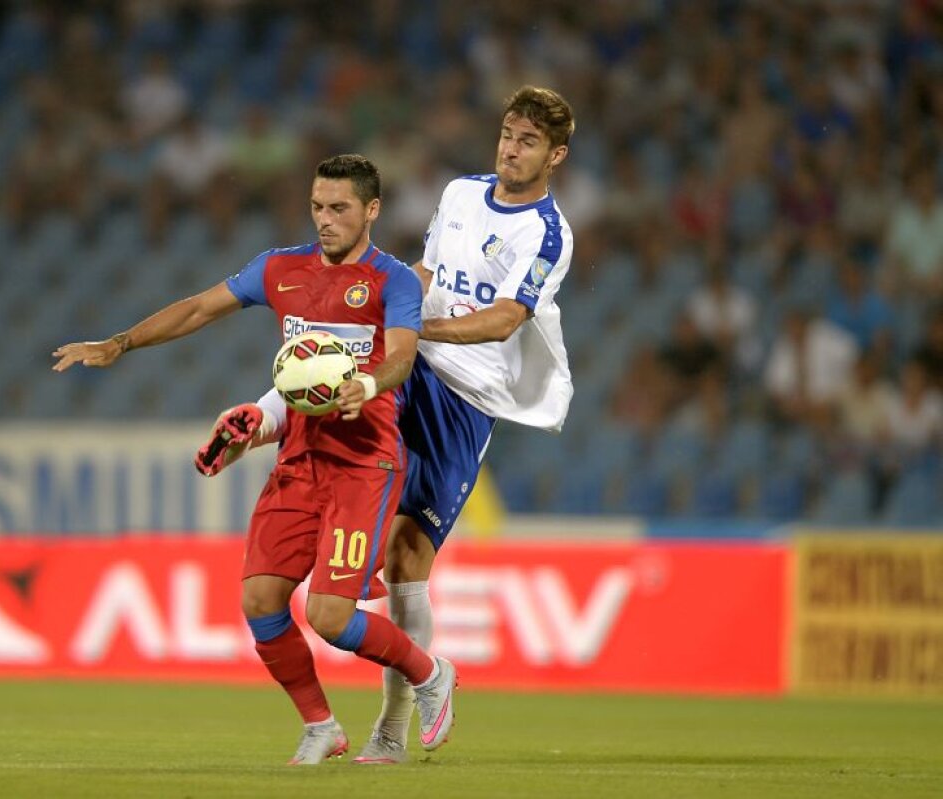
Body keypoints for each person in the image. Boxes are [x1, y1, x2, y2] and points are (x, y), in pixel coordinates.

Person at [197, 86, 576, 764]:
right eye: (507, 134)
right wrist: (391, 320)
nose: (511, 149)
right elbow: (425, 271)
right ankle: (258, 424)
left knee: (406, 561)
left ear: (555, 156)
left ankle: (396, 722)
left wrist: (413, 328)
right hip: (408, 367)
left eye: (528, 142)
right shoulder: (461, 193)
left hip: (466, 396)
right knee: (324, 386)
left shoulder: (548, 233)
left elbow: (504, 319)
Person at [52, 154, 457, 765]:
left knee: (329, 617)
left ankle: (430, 674)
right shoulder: (279, 268)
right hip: (299, 460)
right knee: (261, 601)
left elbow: (402, 354)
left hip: (364, 464)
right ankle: (321, 725)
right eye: (317, 206)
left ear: (372, 210)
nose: (325, 219)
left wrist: (370, 384)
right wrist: (121, 342)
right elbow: (198, 307)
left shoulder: (393, 280)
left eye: (339, 208)